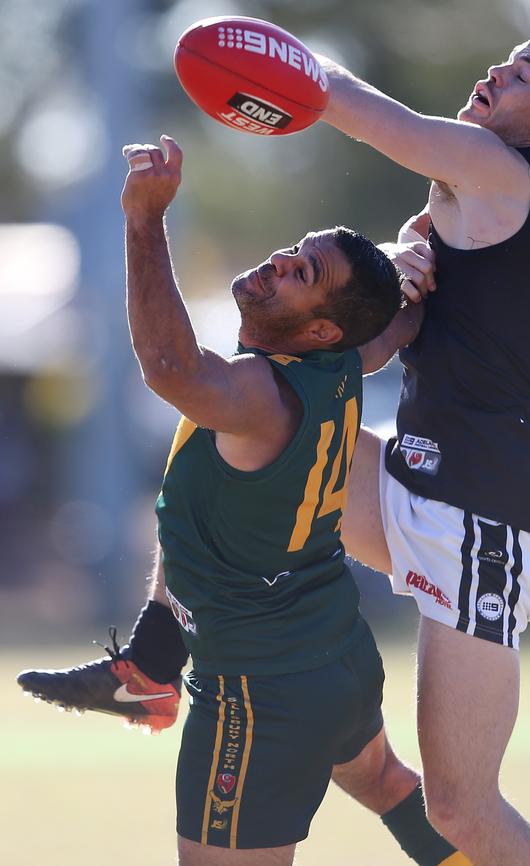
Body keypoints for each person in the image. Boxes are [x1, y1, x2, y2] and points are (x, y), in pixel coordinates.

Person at [18, 3, 530, 865]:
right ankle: (159, 660)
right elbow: (423, 336)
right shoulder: (506, 197)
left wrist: (269, 60)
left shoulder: (500, 170)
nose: (501, 73)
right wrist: (409, 269)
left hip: (479, 520)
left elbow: (359, 107)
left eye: (526, 75)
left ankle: (237, 669)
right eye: (509, 59)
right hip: (431, 483)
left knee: (464, 808)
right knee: (236, 435)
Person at [20, 135, 469, 866]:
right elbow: (391, 324)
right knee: (385, 783)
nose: (281, 260)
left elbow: (168, 365)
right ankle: (150, 665)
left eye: (304, 272)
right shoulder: (344, 357)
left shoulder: (262, 394)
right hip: (334, 654)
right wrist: (414, 261)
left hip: (258, 692)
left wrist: (143, 219)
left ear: (320, 325)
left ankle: (150, 668)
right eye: (297, 249)